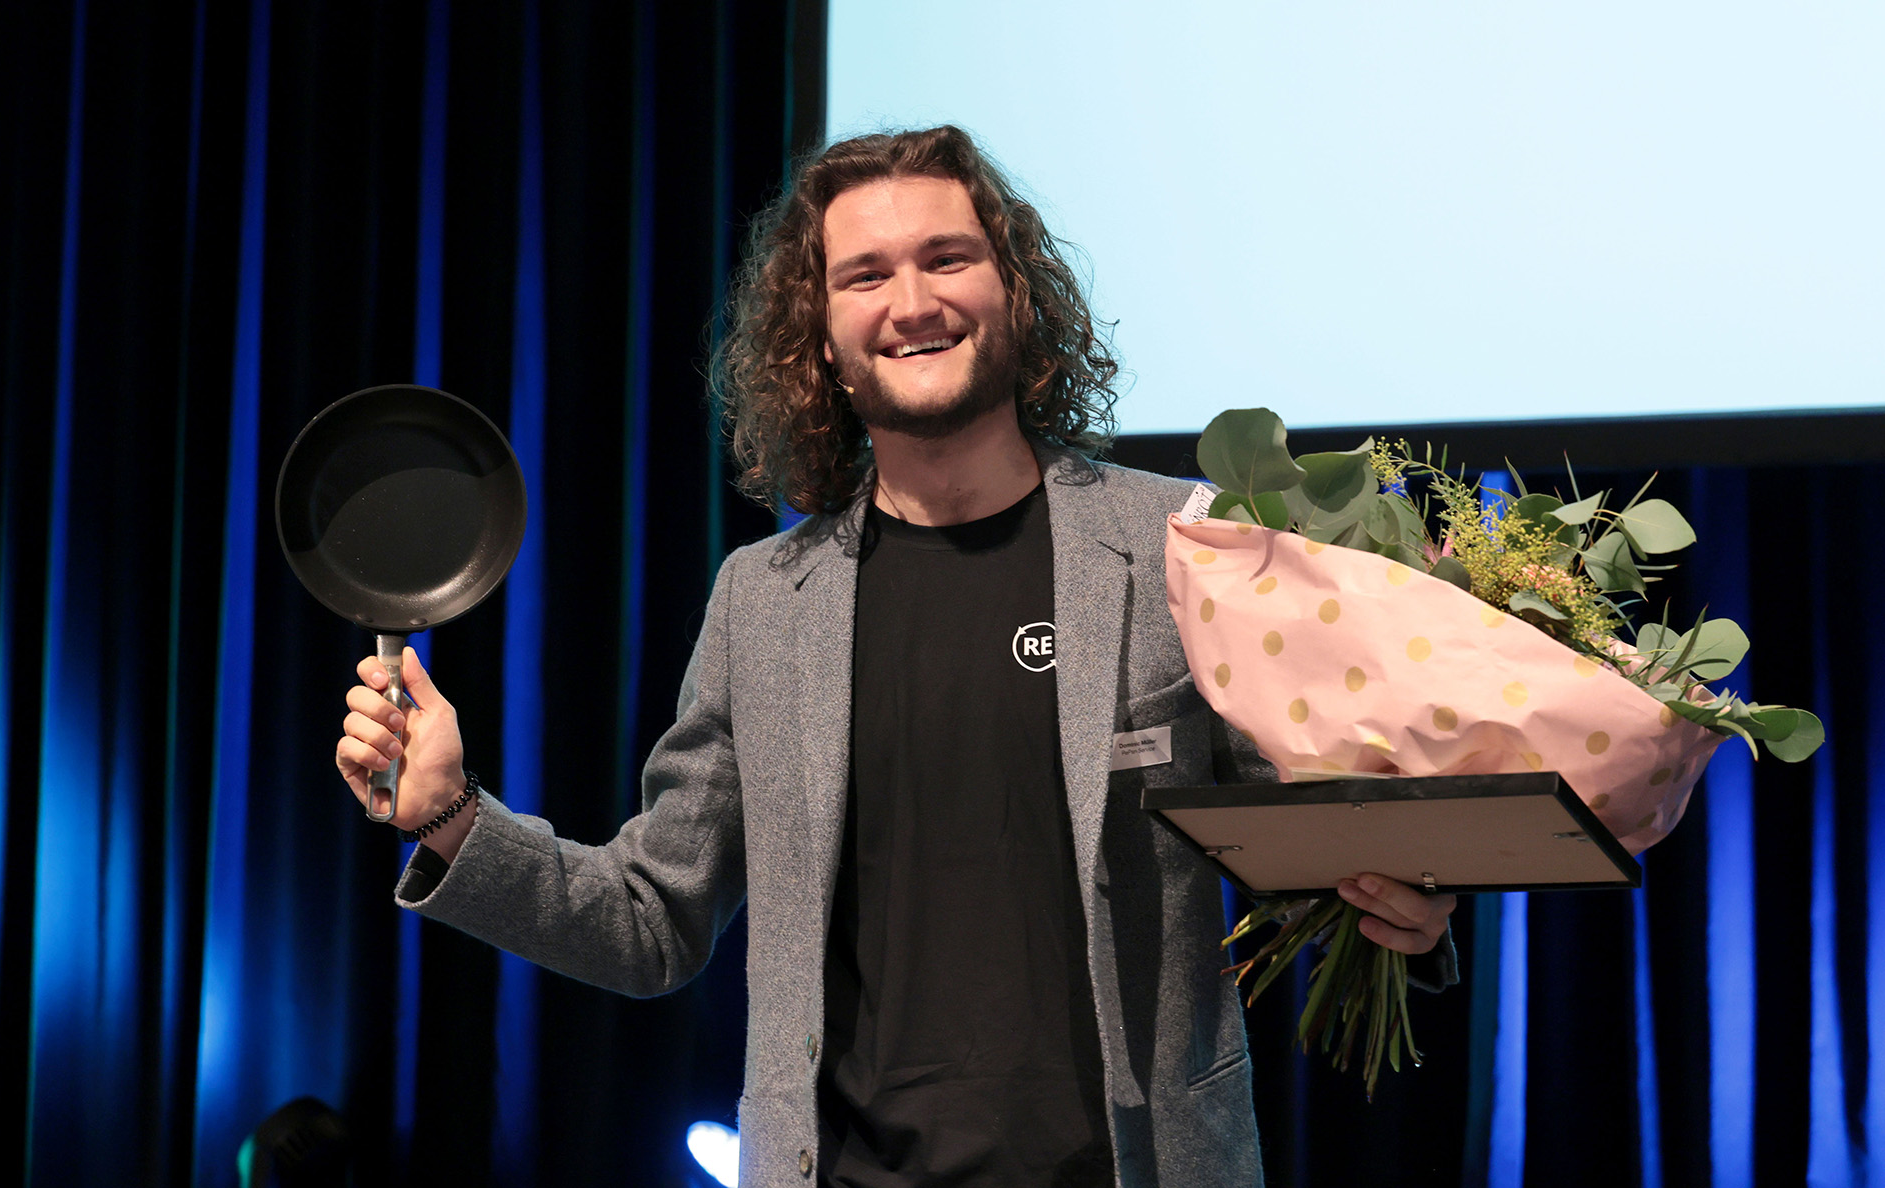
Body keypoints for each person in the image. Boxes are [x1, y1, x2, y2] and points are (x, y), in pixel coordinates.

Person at [335, 126, 1457, 1188]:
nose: (912, 302)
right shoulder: (763, 607)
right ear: (816, 335)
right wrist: (452, 822)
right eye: (864, 275)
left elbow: (1309, 839)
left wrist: (1401, 893)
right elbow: (650, 920)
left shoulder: (1178, 549)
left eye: (947, 258)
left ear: (1014, 290)